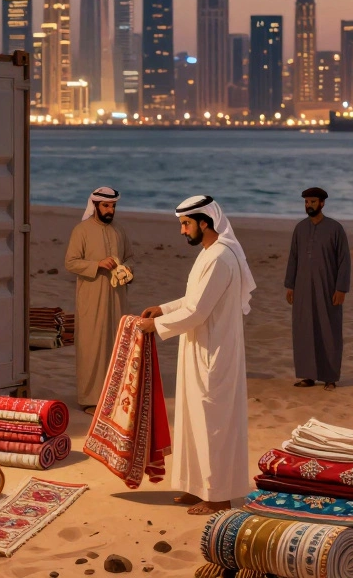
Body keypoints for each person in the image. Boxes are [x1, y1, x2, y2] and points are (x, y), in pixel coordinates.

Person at [136, 196, 254, 515]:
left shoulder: (219, 258)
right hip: (198, 347)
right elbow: (192, 300)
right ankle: (195, 486)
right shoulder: (208, 254)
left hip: (214, 352)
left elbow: (198, 311)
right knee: (192, 420)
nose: (182, 231)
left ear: (205, 223)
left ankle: (217, 496)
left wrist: (155, 325)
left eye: (185, 224)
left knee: (211, 424)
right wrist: (163, 309)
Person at [64, 186, 134, 413]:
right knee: (92, 347)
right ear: (95, 205)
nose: (110, 210)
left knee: (115, 345)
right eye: (106, 205)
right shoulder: (81, 230)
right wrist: (97, 265)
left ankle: (113, 397)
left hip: (117, 299)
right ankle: (91, 400)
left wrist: (129, 270)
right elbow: (71, 262)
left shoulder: (120, 231)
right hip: (91, 299)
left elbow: (130, 257)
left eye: (113, 206)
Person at [284, 186, 350, 391]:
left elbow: (344, 261)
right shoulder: (300, 228)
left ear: (322, 203)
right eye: (306, 202)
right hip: (303, 288)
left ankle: (330, 377)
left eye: (313, 202)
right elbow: (293, 258)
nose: (309, 205)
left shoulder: (335, 229)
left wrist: (341, 288)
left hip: (328, 288)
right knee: (304, 329)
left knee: (329, 330)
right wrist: (290, 285)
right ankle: (308, 376)